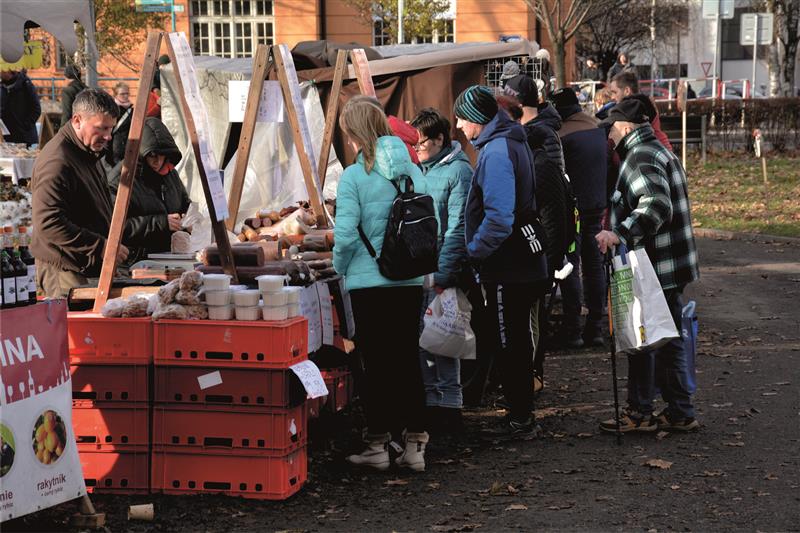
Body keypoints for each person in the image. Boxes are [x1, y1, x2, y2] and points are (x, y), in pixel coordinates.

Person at [333, 96, 433, 471]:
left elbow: (344, 235)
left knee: (375, 363)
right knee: (407, 359)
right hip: (408, 279)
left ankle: (377, 445)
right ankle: (415, 446)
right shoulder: (410, 170)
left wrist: (339, 267)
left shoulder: (354, 176)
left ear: (355, 133)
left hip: (367, 283)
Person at [596, 99, 700, 433]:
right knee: (667, 339)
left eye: (611, 127)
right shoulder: (657, 150)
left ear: (625, 127)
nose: (609, 134)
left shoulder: (638, 156)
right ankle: (679, 411)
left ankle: (640, 413)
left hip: (653, 266)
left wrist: (619, 233)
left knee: (642, 338)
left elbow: (656, 204)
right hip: (668, 264)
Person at [455, 85, 549, 439]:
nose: (459, 127)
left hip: (508, 262)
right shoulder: (512, 140)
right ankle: (520, 412)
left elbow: (498, 218)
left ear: (479, 120)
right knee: (518, 338)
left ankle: (521, 418)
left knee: (510, 340)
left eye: (463, 119)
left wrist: (474, 250)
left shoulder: (495, 152)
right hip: (524, 255)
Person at [499, 92, 574, 393]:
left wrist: (551, 264)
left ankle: (532, 378)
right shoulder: (533, 155)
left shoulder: (537, 161)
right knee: (529, 323)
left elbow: (554, 218)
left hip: (537, 259)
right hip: (535, 257)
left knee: (531, 324)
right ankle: (529, 379)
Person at [409, 107, 473, 435]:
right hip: (423, 271)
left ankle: (450, 410)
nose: (417, 150)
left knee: (445, 341)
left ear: (439, 140)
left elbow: (458, 227)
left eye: (421, 144)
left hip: (444, 272)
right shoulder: (422, 169)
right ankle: (434, 405)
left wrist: (444, 275)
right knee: (426, 342)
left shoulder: (458, 173)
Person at [31, 88, 128, 298]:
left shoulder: (86, 151)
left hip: (84, 264)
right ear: (77, 120)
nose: (108, 136)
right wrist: (101, 246)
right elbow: (48, 222)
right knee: (72, 330)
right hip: (65, 270)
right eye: (101, 128)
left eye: (110, 129)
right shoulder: (58, 161)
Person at [551, 87, 609, 349]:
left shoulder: (562, 135)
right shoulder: (596, 127)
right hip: (596, 205)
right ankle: (596, 325)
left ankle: (572, 327)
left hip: (573, 210)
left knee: (570, 265)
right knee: (595, 264)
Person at [107, 117, 191, 264]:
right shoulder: (120, 180)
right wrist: (161, 223)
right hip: (134, 263)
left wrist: (189, 219)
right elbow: (114, 227)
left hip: (171, 258)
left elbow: (185, 204)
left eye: (161, 154)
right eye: (151, 155)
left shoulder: (170, 173)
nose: (157, 161)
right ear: (140, 153)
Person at [503, 74, 564, 173]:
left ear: (518, 105)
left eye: (507, 105)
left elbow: (552, 178)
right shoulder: (530, 129)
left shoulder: (544, 134)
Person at [609, 71, 672, 151]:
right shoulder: (645, 102)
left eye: (614, 92)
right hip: (661, 147)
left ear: (627, 91)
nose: (612, 97)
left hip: (654, 152)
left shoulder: (634, 108)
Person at [0, 68, 41, 145]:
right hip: (9, 138)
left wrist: (26, 125)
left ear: (8, 70)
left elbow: (36, 109)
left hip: (26, 137)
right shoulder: (2, 87)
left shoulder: (26, 84)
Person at [106, 81, 134, 166]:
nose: (125, 96)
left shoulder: (131, 110)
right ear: (115, 95)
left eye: (127, 93)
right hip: (114, 148)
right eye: (122, 94)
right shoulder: (111, 110)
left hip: (129, 147)